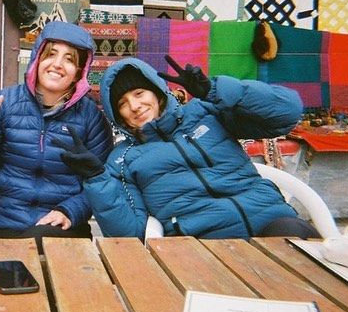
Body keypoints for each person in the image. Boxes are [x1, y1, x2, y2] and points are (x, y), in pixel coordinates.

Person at [54, 55, 320, 240]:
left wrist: (215, 90)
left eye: (139, 93)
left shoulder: (207, 112)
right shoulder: (122, 159)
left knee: (305, 260)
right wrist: (97, 180)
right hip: (202, 242)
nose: (134, 106)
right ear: (117, 115)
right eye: (122, 103)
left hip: (270, 220)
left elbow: (287, 113)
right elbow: (128, 234)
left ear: (157, 92)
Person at [0, 21, 113, 249]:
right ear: (37, 59)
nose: (57, 64)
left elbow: (103, 182)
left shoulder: (90, 117)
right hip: (6, 226)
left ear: (79, 72)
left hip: (63, 230)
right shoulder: (5, 104)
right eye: (51, 54)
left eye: (69, 59)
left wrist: (70, 211)